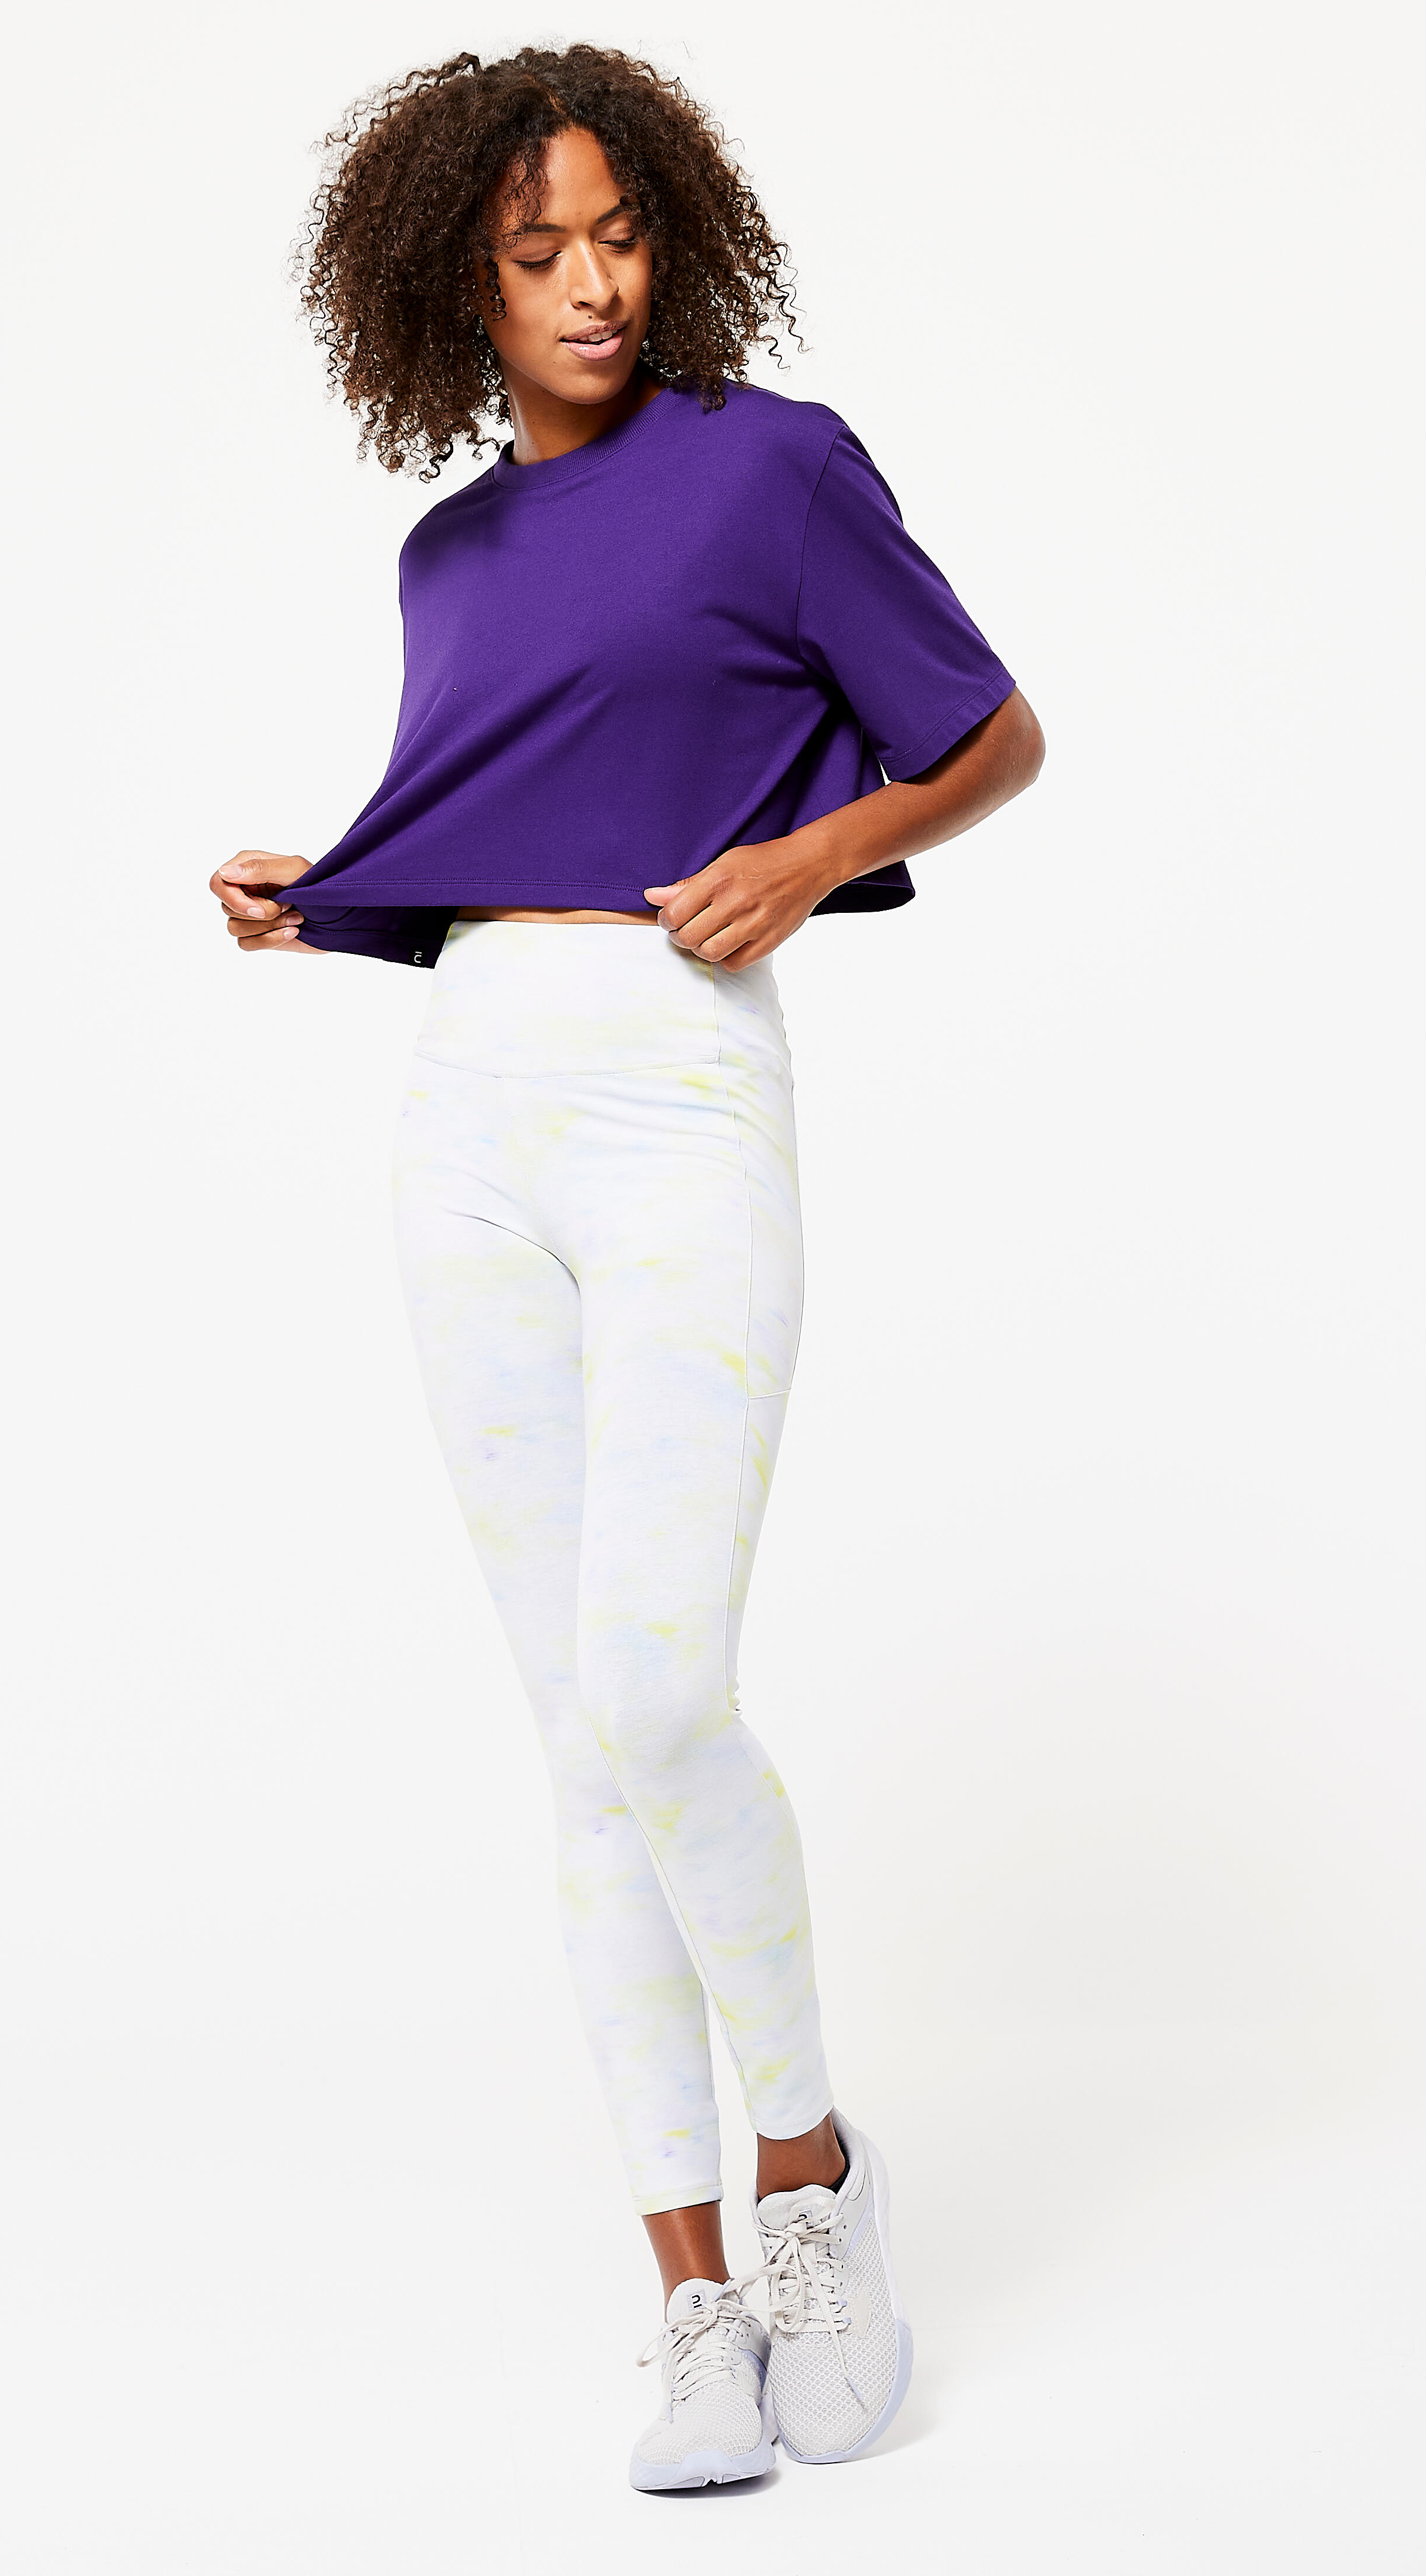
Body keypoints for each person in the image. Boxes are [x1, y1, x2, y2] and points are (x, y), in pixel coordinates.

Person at [209, 45, 1043, 2490]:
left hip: (684, 1096)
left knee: (659, 1681)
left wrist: (815, 853)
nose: (588, 285)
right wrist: (328, 888)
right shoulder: (443, 559)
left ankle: (809, 2181)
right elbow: (495, 810)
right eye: (533, 253)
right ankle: (687, 2294)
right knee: (578, 1737)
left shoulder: (770, 470)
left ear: (671, 229)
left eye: (617, 234)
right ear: (448, 287)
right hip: (469, 1117)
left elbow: (990, 732)